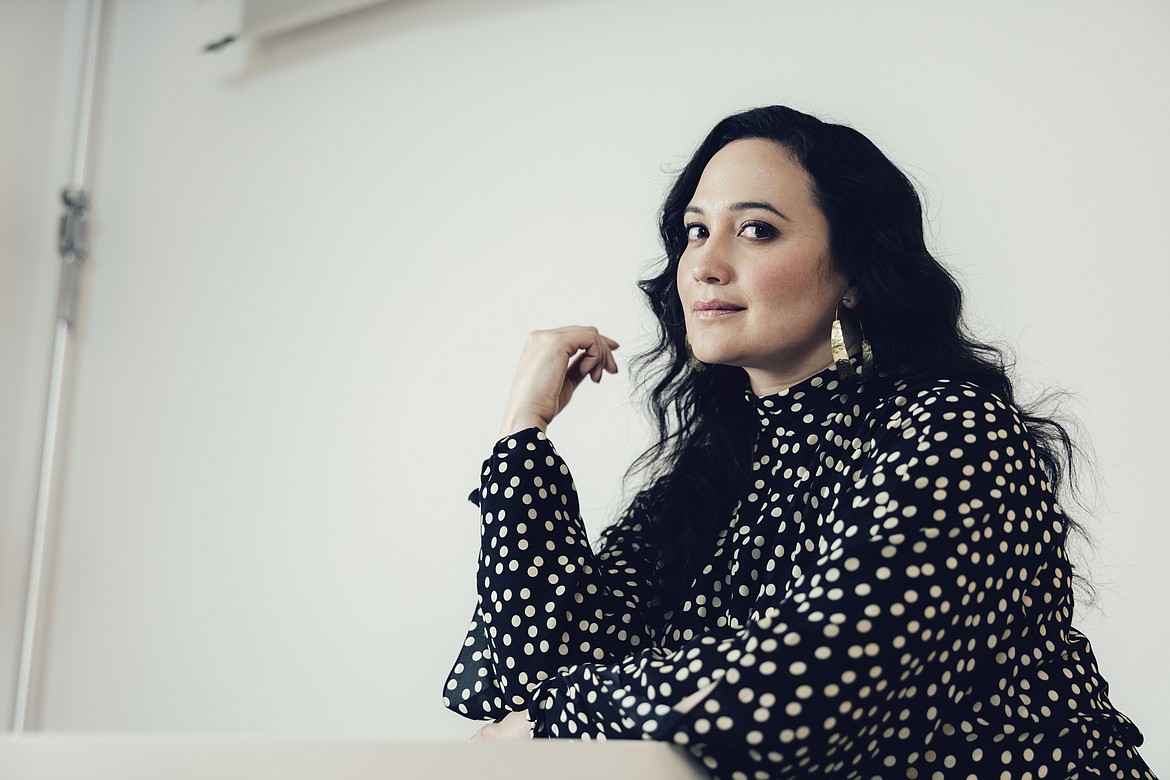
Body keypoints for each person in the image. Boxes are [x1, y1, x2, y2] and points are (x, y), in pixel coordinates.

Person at [441, 106, 1154, 779]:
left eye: (755, 230)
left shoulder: (953, 435)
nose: (704, 265)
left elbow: (803, 697)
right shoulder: (707, 480)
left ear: (852, 273)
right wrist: (522, 440)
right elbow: (530, 672)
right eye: (695, 230)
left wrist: (557, 719)